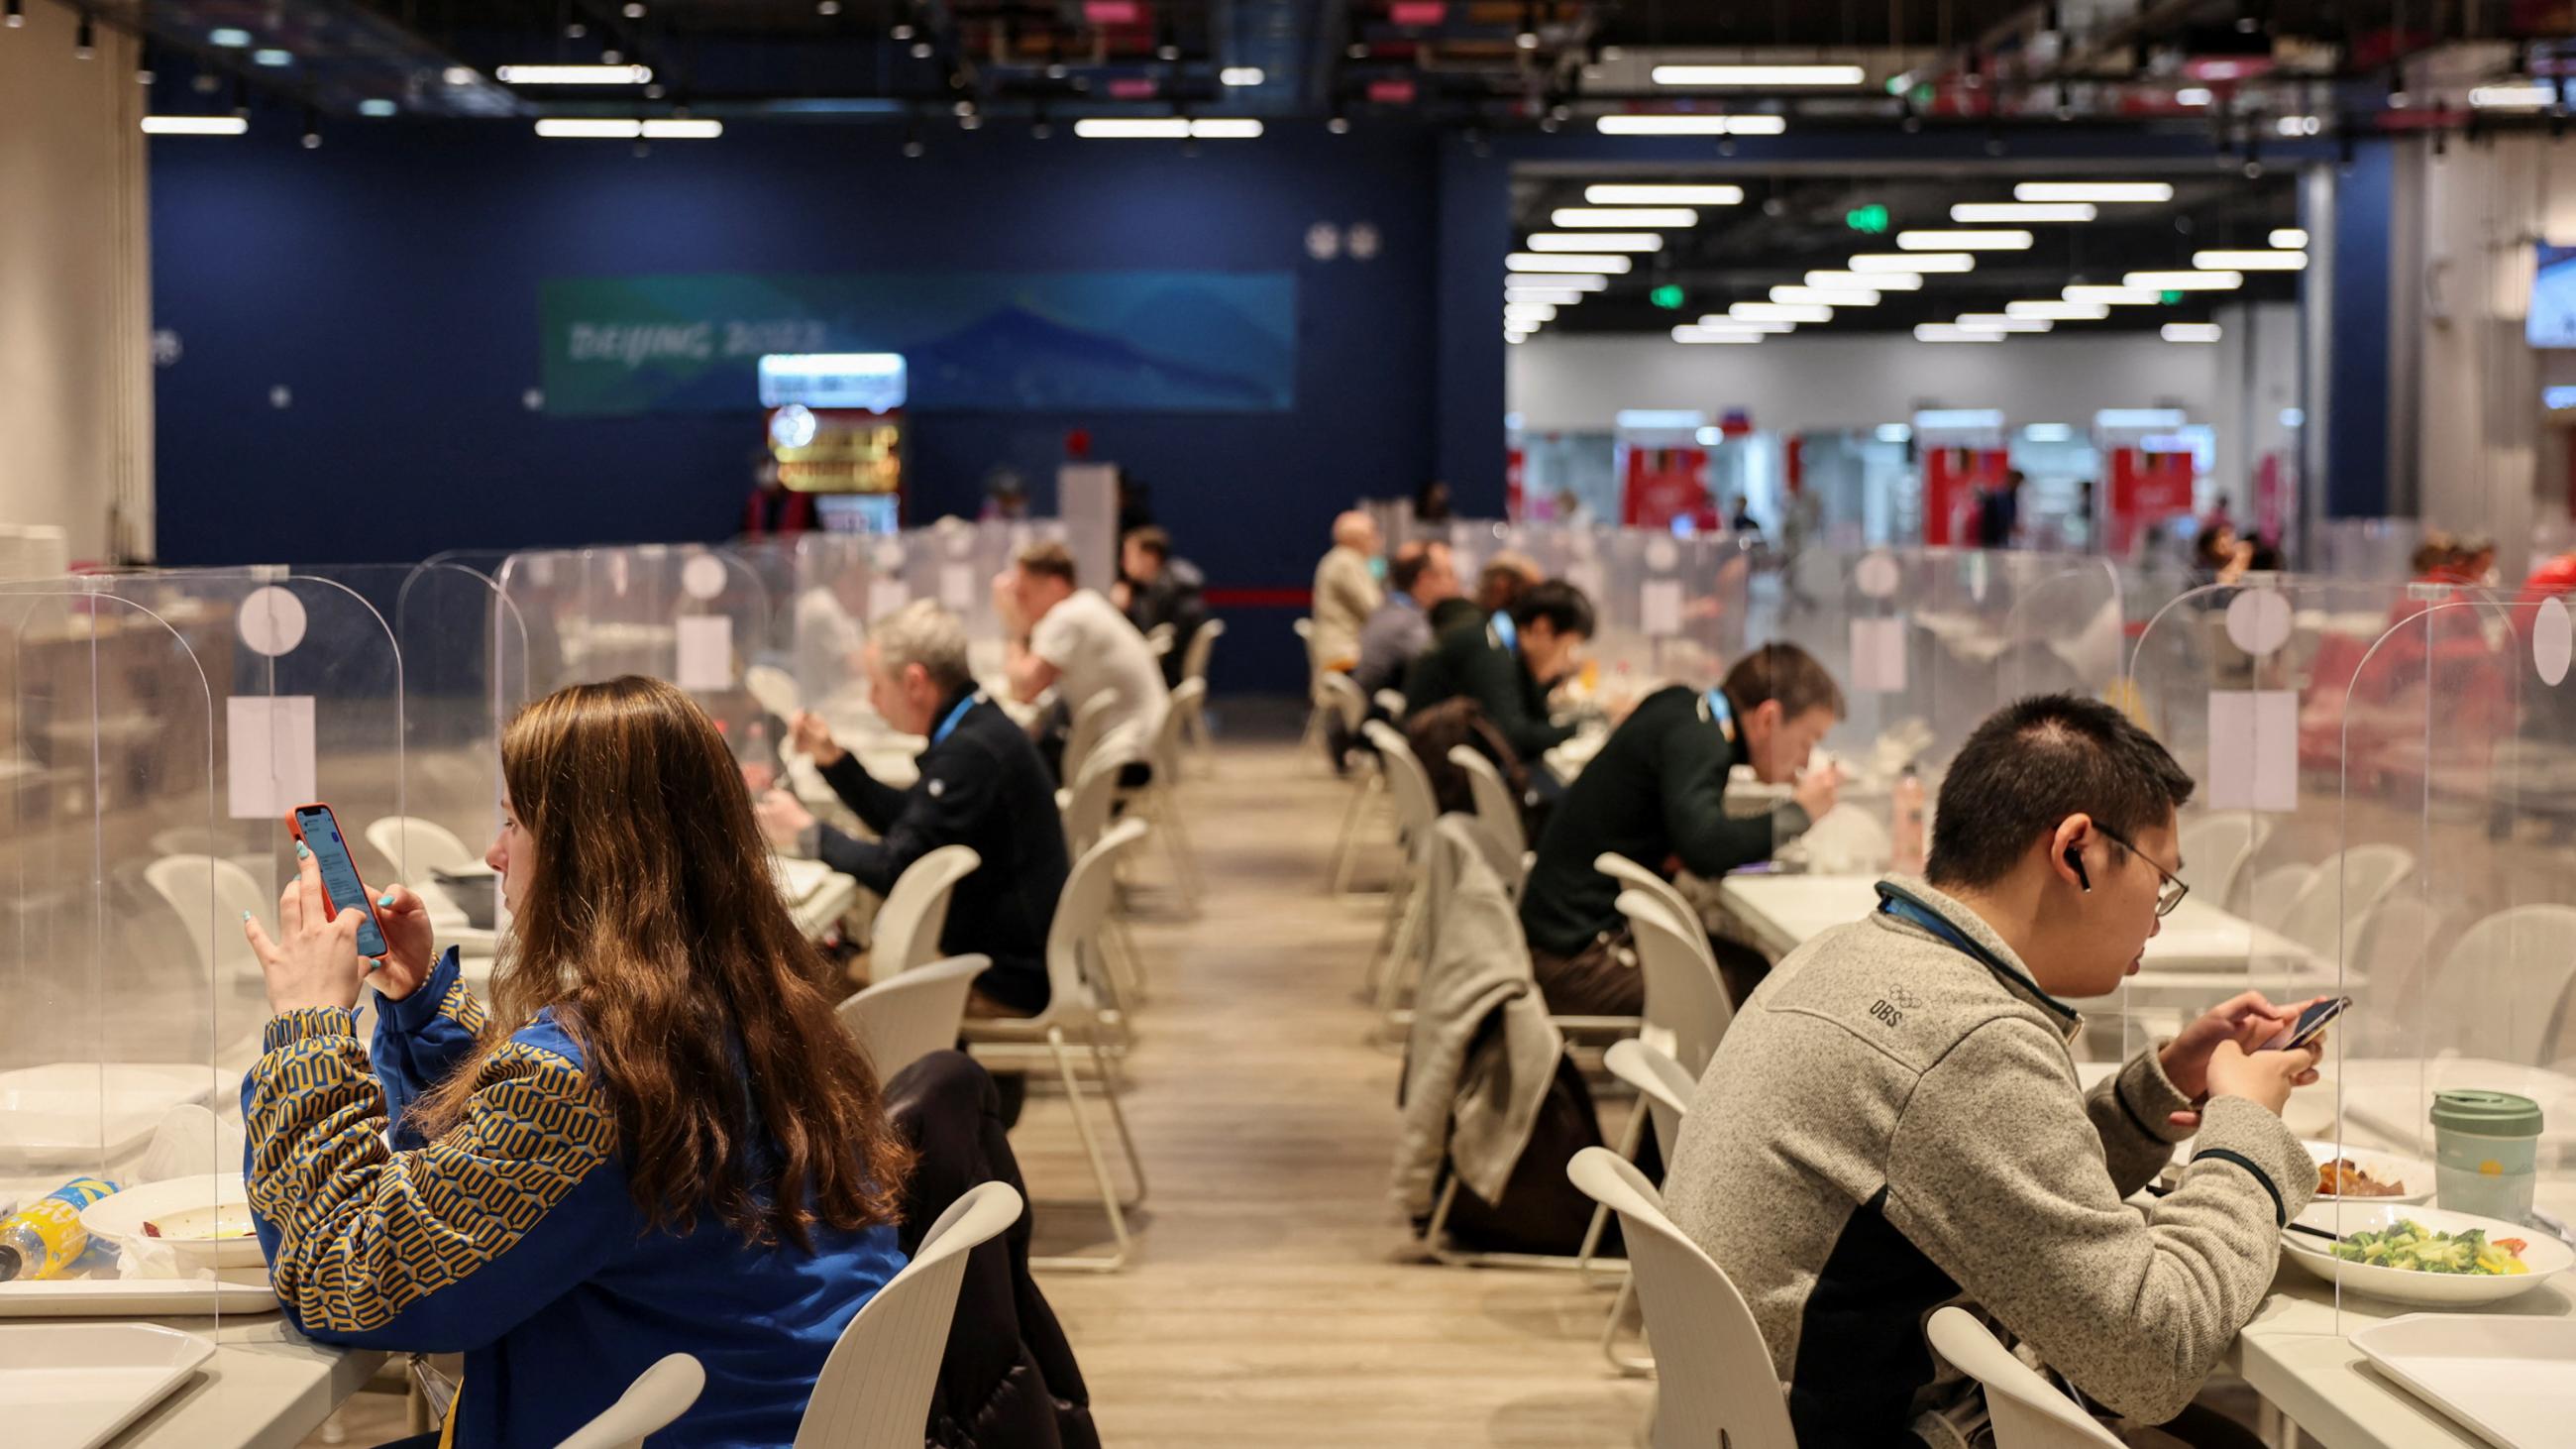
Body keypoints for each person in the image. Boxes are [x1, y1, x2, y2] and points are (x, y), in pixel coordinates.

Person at [236, 677, 912, 1449]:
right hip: (762, 1415)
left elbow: (342, 1280)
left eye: (513, 824)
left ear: (593, 856)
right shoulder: (759, 1003)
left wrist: (308, 1029)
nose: (494, 854)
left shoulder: (588, 1077)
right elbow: (524, 1168)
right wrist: (422, 1003)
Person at [1664, 694, 2325, 1449]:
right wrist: (2245, 1131)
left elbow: (1994, 1192)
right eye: (2161, 880)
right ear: (2075, 850)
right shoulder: (1967, 1038)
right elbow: (2155, 1359)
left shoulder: (1849, 951)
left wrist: (2165, 1083)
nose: (2157, 915)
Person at [755, 602, 1068, 1016]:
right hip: (1014, 951)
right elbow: (915, 822)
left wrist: (807, 833)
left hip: (1003, 977)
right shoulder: (978, 723)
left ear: (915, 682)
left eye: (877, 686)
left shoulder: (970, 753)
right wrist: (834, 761)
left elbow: (895, 867)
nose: (871, 700)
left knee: (807, 983)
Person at [1519, 644, 1845, 1017]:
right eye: (1808, 741)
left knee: (1752, 968)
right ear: (1768, 719)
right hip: (1573, 960)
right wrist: (1800, 812)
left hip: (1557, 937)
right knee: (1762, 989)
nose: (1805, 760)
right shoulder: (1700, 738)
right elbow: (1705, 845)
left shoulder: (1684, 708)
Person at [997, 539, 1168, 786]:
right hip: (1140, 745)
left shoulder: (1067, 618)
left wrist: (1012, 627)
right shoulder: (1086, 604)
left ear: (1055, 585)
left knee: (1005, 770)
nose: (1020, 602)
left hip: (1122, 759)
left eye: (1024, 593)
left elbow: (1022, 690)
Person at [1403, 578, 1593, 765]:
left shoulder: (1494, 637)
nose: (1568, 662)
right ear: (1541, 629)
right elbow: (1513, 739)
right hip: (1437, 766)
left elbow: (1529, 717)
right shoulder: (1492, 652)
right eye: (1568, 648)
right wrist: (1578, 727)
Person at [1351, 539, 1460, 703]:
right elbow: (1444, 669)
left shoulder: (1389, 610)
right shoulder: (1409, 625)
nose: (1456, 585)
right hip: (1384, 718)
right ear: (1425, 580)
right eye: (1449, 574)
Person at [1113, 526, 1210, 689]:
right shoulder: (1173, 588)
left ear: (1150, 558)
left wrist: (1124, 610)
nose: (1123, 563)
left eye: (1129, 555)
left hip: (1162, 681)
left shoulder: (1164, 595)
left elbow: (1144, 641)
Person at [1309, 509, 1383, 676]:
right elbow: (1373, 609)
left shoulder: (1339, 559)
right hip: (1345, 651)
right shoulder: (1347, 562)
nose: (1378, 541)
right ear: (1358, 539)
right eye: (1373, 535)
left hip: (1341, 646)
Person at [744, 454, 817, 537]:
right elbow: (745, 534)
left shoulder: (801, 499)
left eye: (773, 467)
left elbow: (813, 531)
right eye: (763, 468)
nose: (768, 473)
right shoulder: (754, 501)